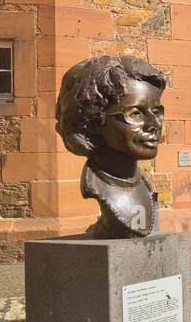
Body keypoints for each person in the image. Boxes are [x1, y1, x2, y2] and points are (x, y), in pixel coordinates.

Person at [55, 55, 167, 239]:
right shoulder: (97, 186)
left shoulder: (144, 186)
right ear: (93, 122)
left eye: (157, 112)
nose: (154, 124)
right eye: (136, 113)